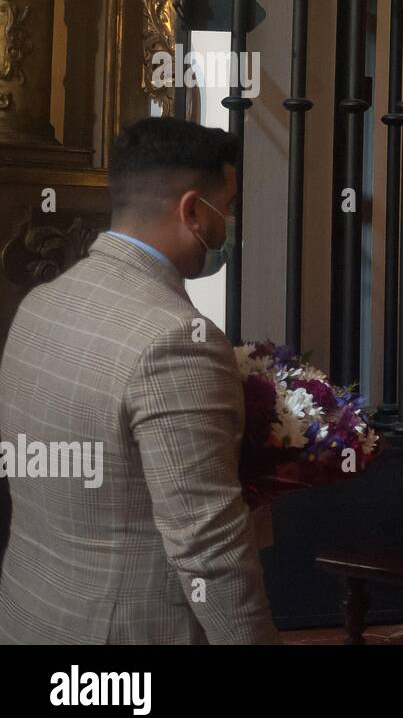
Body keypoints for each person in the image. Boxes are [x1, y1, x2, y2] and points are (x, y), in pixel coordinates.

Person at [0, 117, 278, 644]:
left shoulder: (40, 302)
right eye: (231, 206)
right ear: (194, 211)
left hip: (30, 612)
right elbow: (208, 548)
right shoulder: (175, 340)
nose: (231, 224)